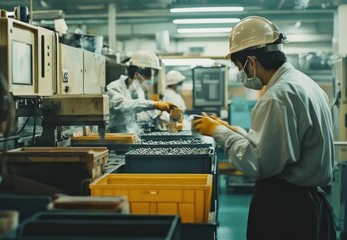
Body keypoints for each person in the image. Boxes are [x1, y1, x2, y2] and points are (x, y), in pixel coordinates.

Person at [193, 16, 336, 240]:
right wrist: (231, 129)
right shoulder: (305, 84)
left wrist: (218, 133)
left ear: (250, 61)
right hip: (310, 205)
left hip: (287, 210)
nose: (241, 74)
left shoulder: (276, 97)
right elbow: (275, 144)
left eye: (239, 67)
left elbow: (260, 162)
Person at [106, 49, 179, 133]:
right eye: (147, 77)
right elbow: (122, 105)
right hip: (115, 137)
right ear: (136, 74)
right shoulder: (114, 87)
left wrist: (158, 114)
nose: (148, 82)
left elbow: (139, 115)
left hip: (132, 136)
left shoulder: (138, 91)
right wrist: (155, 105)